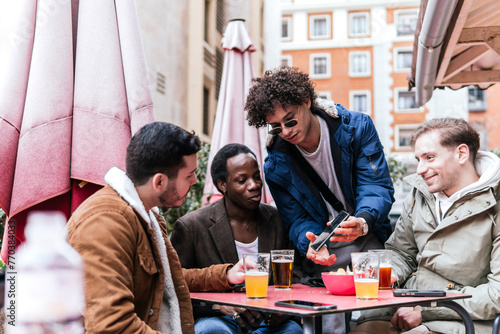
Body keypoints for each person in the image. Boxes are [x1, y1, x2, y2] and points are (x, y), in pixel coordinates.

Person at [67, 122, 248, 334]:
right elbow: (113, 326)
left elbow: (169, 278)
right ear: (159, 181)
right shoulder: (106, 223)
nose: (195, 181)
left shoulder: (144, 213)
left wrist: (226, 275)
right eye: (189, 174)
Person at [352, 118, 500, 334]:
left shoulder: (495, 204)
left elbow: (496, 294)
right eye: (418, 159)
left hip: (461, 320)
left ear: (461, 154)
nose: (420, 169)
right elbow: (401, 252)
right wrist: (391, 273)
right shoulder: (421, 194)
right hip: (399, 308)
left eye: (429, 158)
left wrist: (427, 309)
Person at [244, 66, 395, 273]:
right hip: (323, 264)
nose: (286, 131)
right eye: (276, 127)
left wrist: (362, 221)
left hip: (372, 246)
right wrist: (312, 243)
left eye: (290, 120)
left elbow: (376, 185)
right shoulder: (275, 167)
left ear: (306, 101)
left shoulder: (358, 128)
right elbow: (296, 219)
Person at [171, 143, 302, 334]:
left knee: (293, 331)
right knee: (211, 331)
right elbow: (175, 285)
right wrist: (217, 306)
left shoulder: (279, 221)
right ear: (222, 185)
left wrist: (283, 308)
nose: (254, 185)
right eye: (242, 180)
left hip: (269, 320)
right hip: (218, 318)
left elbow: (297, 273)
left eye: (257, 177)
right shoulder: (192, 226)